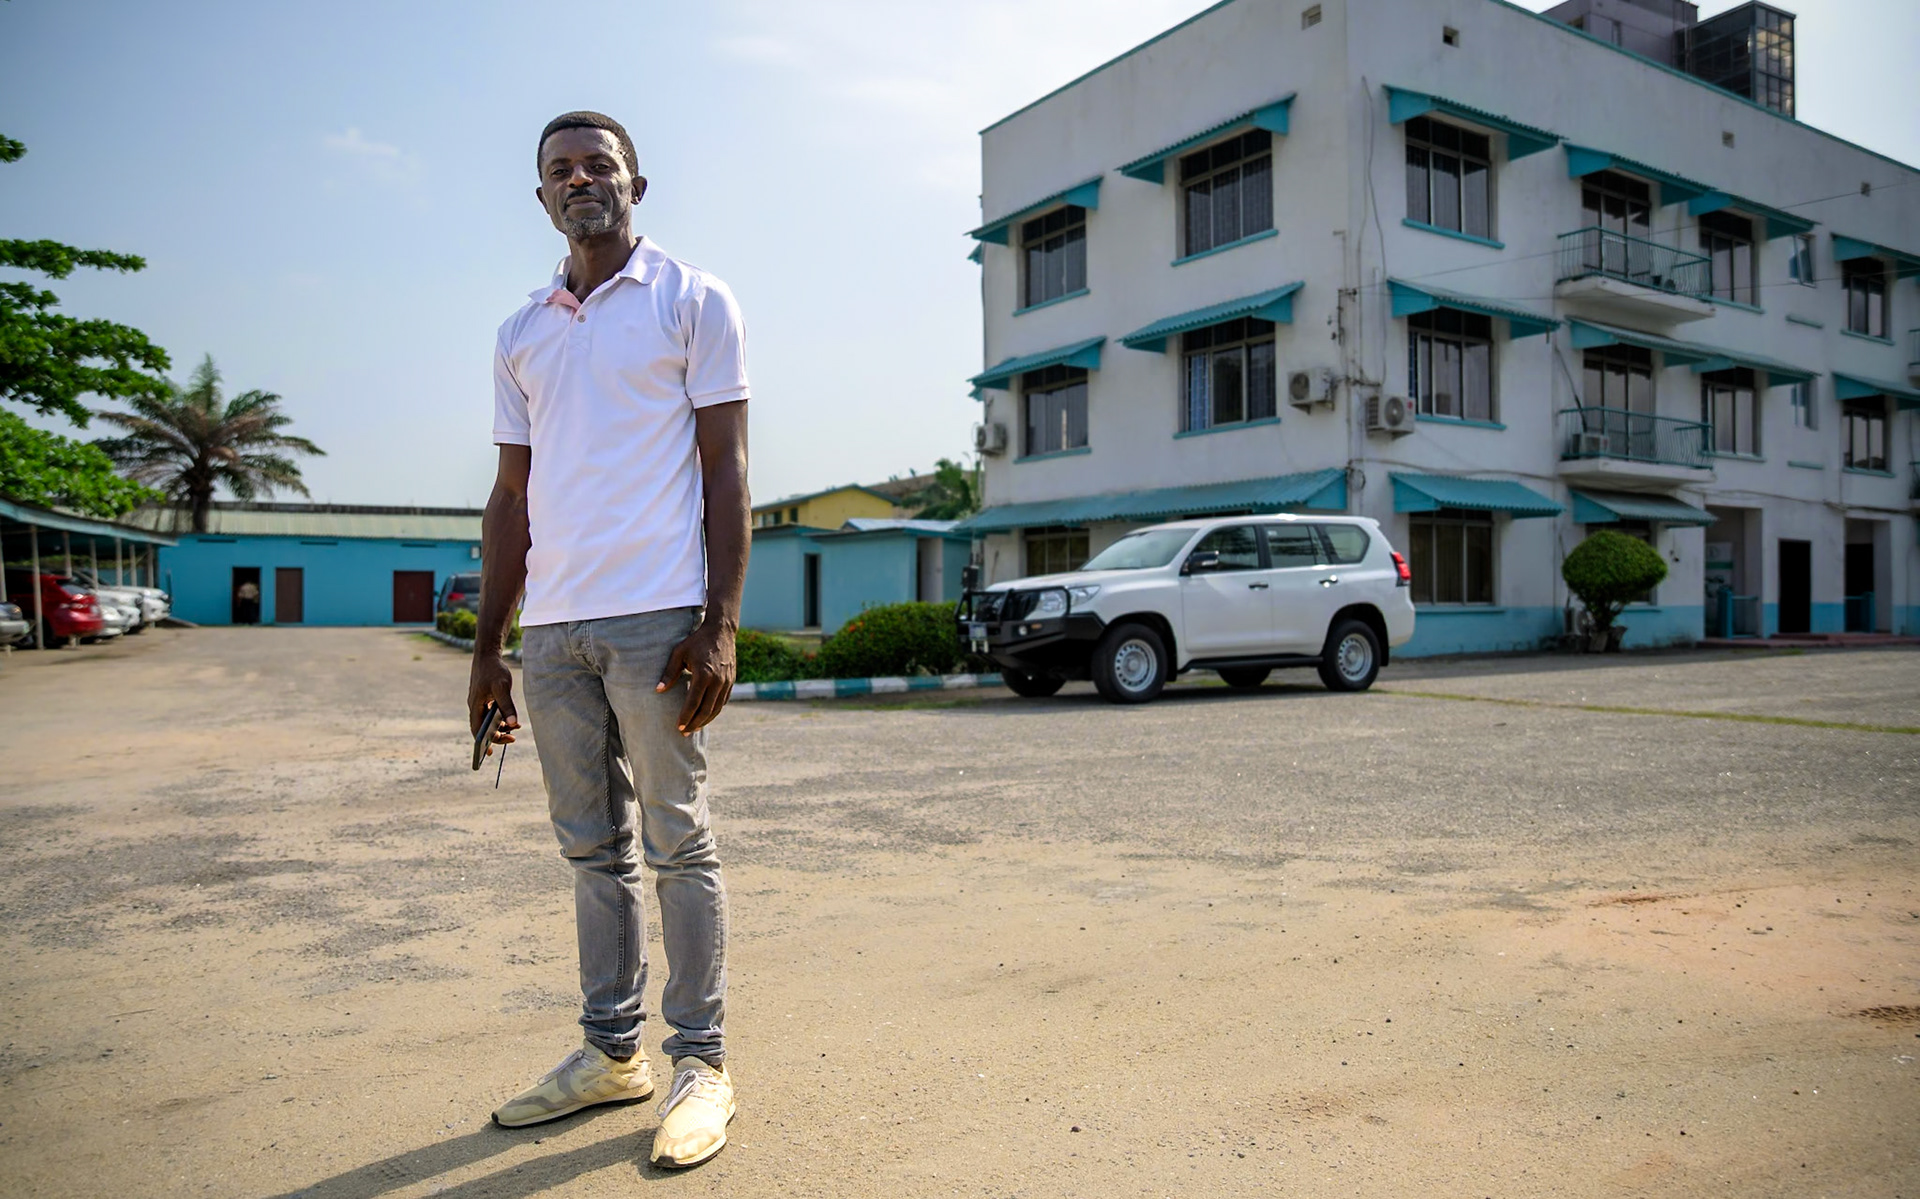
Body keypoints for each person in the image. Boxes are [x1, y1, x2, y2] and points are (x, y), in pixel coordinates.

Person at [467, 110, 750, 1169]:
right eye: (561, 170)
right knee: (591, 848)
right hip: (553, 631)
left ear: (637, 184)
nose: (580, 179)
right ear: (542, 197)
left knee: (679, 842)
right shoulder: (521, 330)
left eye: (600, 165)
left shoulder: (692, 299)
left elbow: (726, 470)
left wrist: (719, 622)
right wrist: (489, 647)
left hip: (658, 619)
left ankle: (702, 1066)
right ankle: (610, 1052)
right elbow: (510, 495)